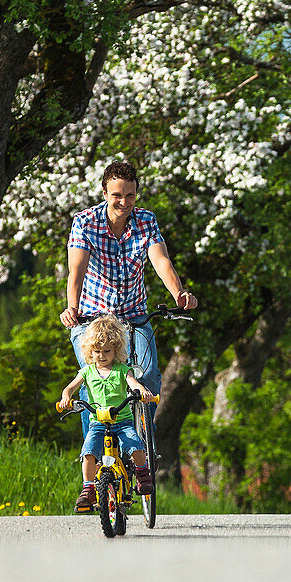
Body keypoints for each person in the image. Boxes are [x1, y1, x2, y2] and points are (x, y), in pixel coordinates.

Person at [59, 160, 197, 432]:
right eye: (117, 195)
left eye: (130, 195)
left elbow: (161, 262)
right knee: (95, 382)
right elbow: (76, 270)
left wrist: (179, 292)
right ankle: (95, 458)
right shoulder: (85, 222)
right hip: (91, 318)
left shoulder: (146, 220)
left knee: (147, 376)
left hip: (133, 315)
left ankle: (144, 442)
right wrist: (71, 307)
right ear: (104, 194)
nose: (124, 201)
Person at [59, 314, 157, 513]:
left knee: (135, 445)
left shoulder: (123, 370)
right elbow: (69, 388)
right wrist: (66, 397)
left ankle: (142, 475)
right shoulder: (87, 371)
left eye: (107, 351)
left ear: (116, 350)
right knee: (88, 452)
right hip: (98, 423)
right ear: (89, 351)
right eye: (97, 351)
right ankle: (88, 488)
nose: (101, 355)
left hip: (122, 421)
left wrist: (142, 391)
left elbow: (133, 383)